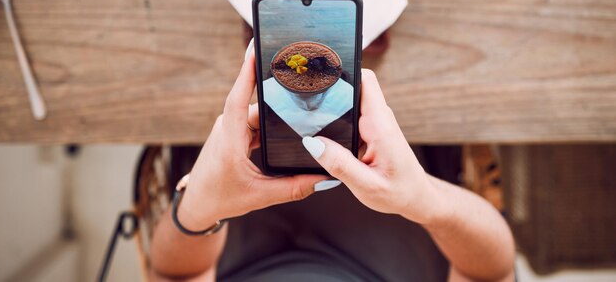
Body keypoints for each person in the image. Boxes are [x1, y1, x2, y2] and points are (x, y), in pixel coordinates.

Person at [150, 51, 516, 281]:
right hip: (396, 194)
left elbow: (175, 273)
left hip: (229, 211)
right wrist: (424, 199)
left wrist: (198, 206)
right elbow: (491, 272)